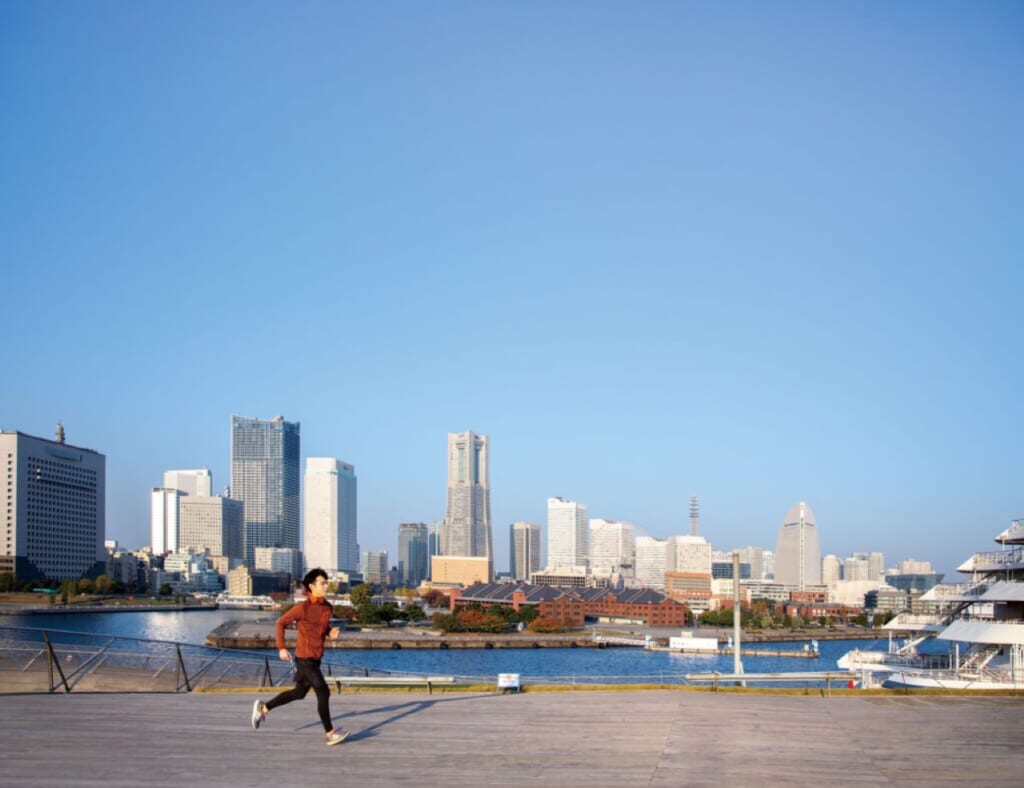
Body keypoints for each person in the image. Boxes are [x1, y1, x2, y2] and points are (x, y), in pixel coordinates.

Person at [250, 568, 348, 745]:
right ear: (311, 586)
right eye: (322, 583)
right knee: (323, 690)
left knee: (298, 693)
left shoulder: (327, 607)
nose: (326, 585)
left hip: (316, 658)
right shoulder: (302, 608)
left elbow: (320, 627)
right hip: (304, 658)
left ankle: (264, 708)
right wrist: (281, 648)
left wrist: (329, 632)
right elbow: (281, 623)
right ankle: (330, 733)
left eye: (326, 582)